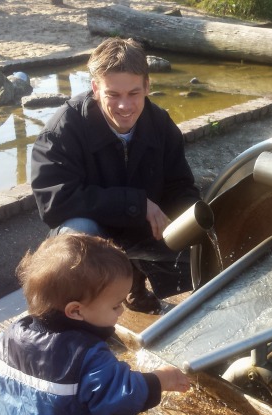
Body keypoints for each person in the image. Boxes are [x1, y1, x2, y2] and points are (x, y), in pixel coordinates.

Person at [30, 37, 201, 314]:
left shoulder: (160, 123)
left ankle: (135, 285)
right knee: (78, 237)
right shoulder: (62, 130)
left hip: (143, 231)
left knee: (197, 238)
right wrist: (136, 205)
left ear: (147, 86)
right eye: (113, 94)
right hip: (95, 233)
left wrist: (196, 219)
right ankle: (80, 317)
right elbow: (54, 202)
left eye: (134, 93)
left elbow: (179, 186)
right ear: (96, 89)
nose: (125, 106)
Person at [0, 233, 190, 415]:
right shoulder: (85, 356)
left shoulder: (8, 337)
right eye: (115, 305)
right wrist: (161, 379)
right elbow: (123, 394)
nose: (122, 310)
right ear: (76, 311)